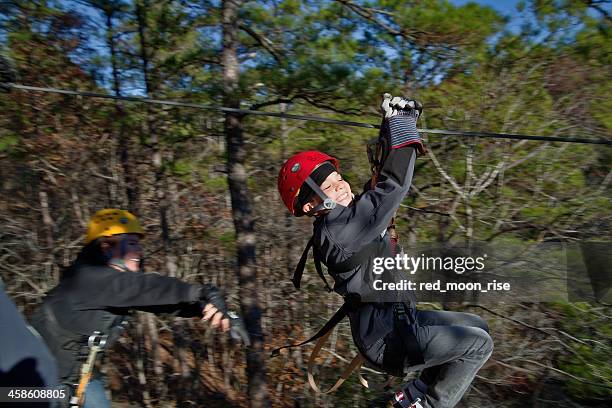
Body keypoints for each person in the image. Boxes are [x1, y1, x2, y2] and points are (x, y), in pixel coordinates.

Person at [276, 94, 493, 408]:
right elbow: (392, 186)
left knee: (477, 326)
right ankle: (425, 404)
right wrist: (403, 123)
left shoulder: (345, 221)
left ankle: (411, 397)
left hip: (400, 323)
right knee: (478, 345)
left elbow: (379, 174)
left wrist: (391, 122)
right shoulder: (340, 229)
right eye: (332, 187)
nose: (343, 186)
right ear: (311, 205)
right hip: (388, 338)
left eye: (340, 178)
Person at [30, 209, 249, 407]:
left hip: (75, 381)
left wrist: (206, 308)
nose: (140, 251)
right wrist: (204, 291)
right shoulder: (89, 278)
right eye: (132, 243)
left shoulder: (104, 285)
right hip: (26, 388)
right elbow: (147, 287)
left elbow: (158, 301)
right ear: (106, 246)